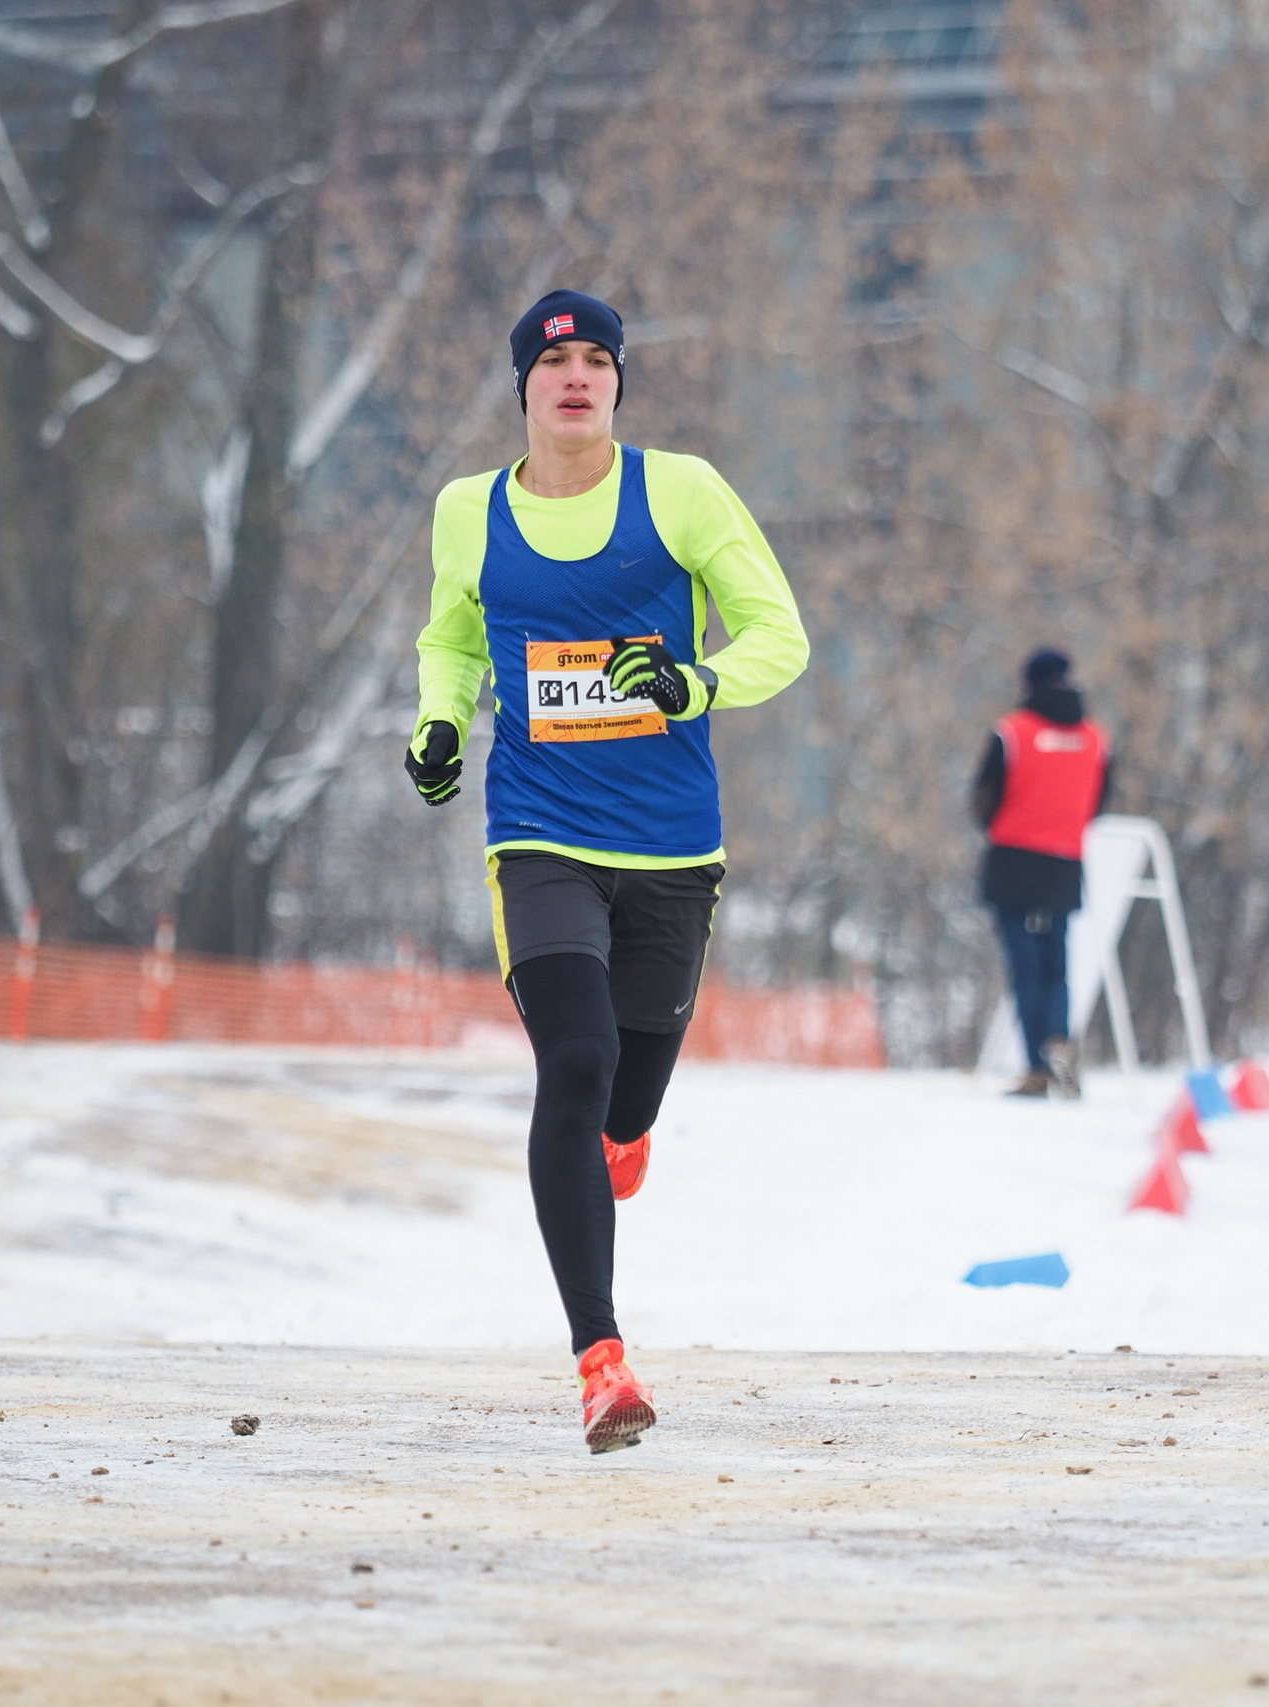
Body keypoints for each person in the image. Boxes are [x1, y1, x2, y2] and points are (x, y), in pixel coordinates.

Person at [402, 289, 807, 1454]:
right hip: (538, 833)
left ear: (618, 383)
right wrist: (439, 722)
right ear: (521, 385)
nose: (574, 378)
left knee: (623, 1105)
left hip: (674, 848)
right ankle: (600, 1360)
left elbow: (779, 631)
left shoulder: (679, 491)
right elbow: (452, 638)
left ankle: (620, 1144)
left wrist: (697, 681)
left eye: (595, 361)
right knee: (572, 1063)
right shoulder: (466, 511)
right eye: (552, 361)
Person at [970, 648, 1111, 1099]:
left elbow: (984, 796)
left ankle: (1036, 1065)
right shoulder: (1096, 739)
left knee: (1024, 966)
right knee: (1057, 963)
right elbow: (1100, 800)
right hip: (1065, 860)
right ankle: (1059, 1043)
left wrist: (1003, 826)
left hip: (1014, 858)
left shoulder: (1012, 733)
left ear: (1028, 682)